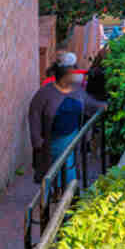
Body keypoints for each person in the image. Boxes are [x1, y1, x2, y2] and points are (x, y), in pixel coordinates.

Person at [28, 61, 105, 189]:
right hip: (52, 142)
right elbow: (34, 115)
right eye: (70, 75)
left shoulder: (76, 91)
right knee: (52, 171)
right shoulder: (44, 93)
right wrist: (37, 141)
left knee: (69, 169)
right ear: (62, 77)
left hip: (71, 139)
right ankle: (52, 196)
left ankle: (67, 195)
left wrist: (102, 106)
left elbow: (89, 103)